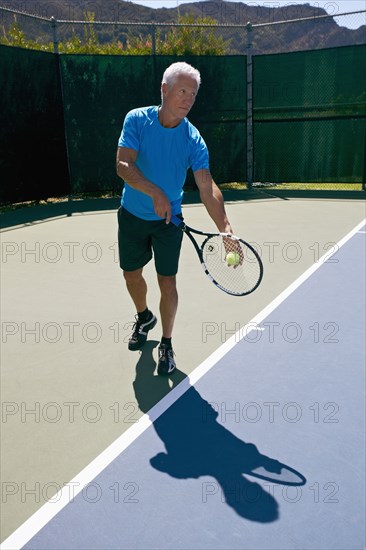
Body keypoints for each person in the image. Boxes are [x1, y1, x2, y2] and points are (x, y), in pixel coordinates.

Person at [116, 61, 234, 375]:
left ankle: (166, 342)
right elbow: (123, 165)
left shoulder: (193, 139)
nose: (187, 99)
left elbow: (206, 185)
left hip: (170, 223)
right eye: (182, 91)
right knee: (131, 275)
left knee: (167, 282)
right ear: (165, 90)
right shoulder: (137, 120)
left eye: (193, 95)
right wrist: (154, 192)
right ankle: (143, 317)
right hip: (132, 217)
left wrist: (225, 228)